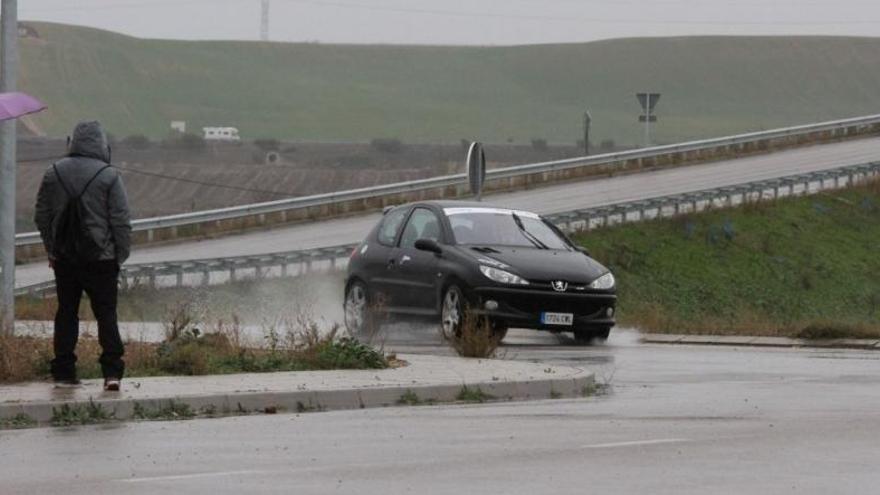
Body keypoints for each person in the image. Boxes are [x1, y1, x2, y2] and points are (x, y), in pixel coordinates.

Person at [34, 121, 132, 391]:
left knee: (66, 313)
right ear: (102, 144)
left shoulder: (53, 173)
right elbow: (120, 221)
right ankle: (112, 373)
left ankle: (64, 371)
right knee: (106, 315)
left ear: (72, 142)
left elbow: (42, 216)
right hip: (102, 259)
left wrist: (52, 249)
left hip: (65, 259)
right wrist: (119, 255)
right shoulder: (109, 176)